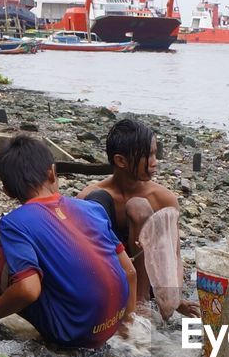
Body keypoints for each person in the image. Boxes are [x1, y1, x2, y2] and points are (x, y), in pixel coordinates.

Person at [0, 134, 136, 347]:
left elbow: (28, 290)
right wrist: (127, 326)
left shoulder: (14, 223)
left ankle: (50, 336)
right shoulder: (91, 208)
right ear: (52, 173)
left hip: (73, 333)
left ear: (8, 191)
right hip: (112, 323)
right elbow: (130, 272)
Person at [79, 118, 198, 321]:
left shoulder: (162, 198)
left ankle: (141, 300)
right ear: (121, 161)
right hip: (111, 272)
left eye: (155, 153)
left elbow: (173, 254)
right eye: (147, 156)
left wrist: (174, 298)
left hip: (147, 275)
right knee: (94, 204)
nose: (155, 162)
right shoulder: (91, 194)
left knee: (138, 206)